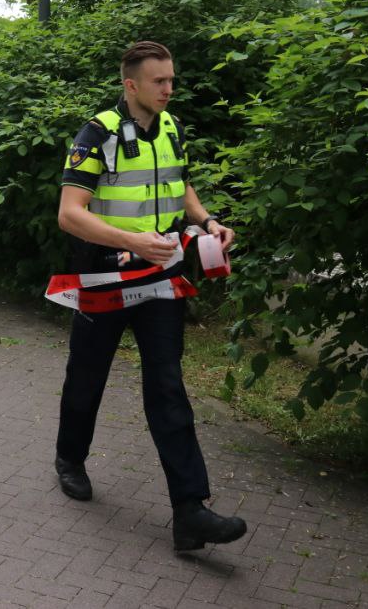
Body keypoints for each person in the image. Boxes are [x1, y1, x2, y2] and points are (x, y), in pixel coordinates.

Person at [53, 40, 247, 551]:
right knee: (87, 377)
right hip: (106, 280)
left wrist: (207, 221)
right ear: (131, 84)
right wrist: (131, 241)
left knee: (166, 386)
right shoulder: (97, 134)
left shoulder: (173, 129)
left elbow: (181, 188)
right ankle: (70, 458)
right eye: (159, 81)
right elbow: (70, 213)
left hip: (161, 280)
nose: (168, 89)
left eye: (172, 80)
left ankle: (190, 513)